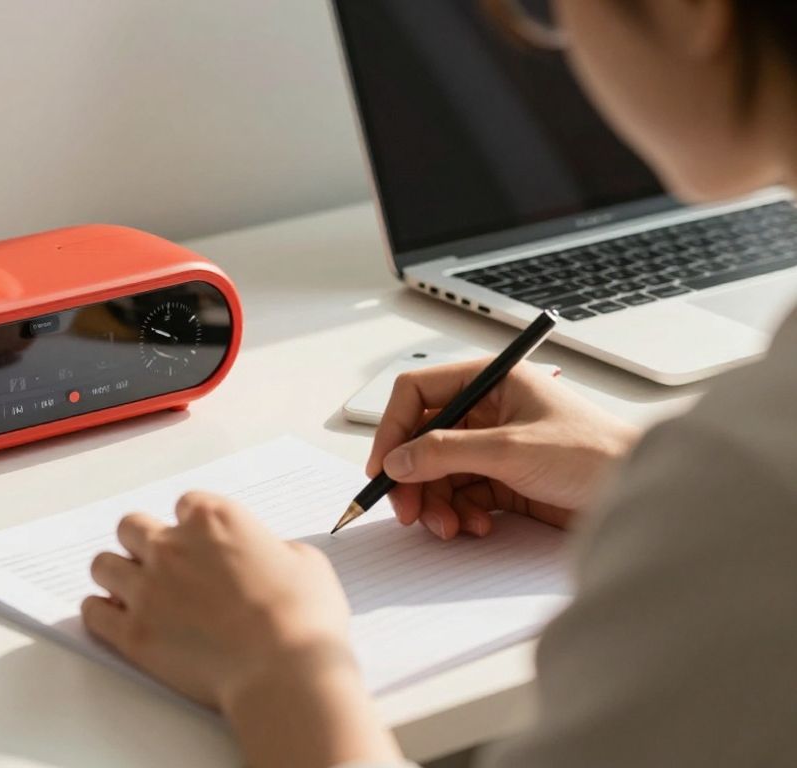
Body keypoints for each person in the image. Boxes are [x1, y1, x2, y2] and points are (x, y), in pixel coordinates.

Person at [80, 1, 797, 766]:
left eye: (550, 12)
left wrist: (278, 668)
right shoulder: (745, 481)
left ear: (687, 12)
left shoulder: (751, 485)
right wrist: (637, 480)